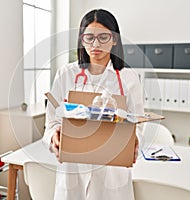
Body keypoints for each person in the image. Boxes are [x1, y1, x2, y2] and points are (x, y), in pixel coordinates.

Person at [43, 9, 144, 200]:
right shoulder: (66, 75)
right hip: (72, 178)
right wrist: (53, 140)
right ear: (82, 40)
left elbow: (139, 124)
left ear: (115, 40)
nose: (96, 44)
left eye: (103, 37)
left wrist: (135, 140)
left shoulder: (129, 79)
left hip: (112, 179)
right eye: (89, 37)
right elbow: (51, 125)